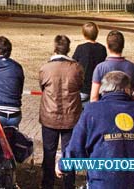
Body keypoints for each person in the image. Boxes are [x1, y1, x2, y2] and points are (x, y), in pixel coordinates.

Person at [63, 71, 134, 189]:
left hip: (104, 182)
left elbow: (76, 147)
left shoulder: (92, 110)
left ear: (103, 90)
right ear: (127, 90)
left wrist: (63, 165)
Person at [39, 34, 83, 189]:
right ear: (69, 49)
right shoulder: (76, 68)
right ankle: (69, 184)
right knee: (69, 153)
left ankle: (47, 184)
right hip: (71, 117)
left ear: (55, 48)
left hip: (49, 117)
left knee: (49, 152)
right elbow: (79, 86)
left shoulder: (46, 67)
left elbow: (42, 87)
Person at [89, 30, 134, 101]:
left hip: (106, 108)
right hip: (126, 108)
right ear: (123, 46)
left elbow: (94, 97)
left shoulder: (100, 68)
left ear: (107, 46)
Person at [72, 22, 107, 104]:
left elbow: (73, 64)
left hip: (83, 87)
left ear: (84, 34)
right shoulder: (102, 48)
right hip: (98, 87)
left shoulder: (80, 48)